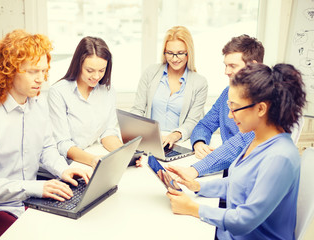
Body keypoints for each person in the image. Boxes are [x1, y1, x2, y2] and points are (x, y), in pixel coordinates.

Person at [0, 29, 91, 240]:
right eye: (33, 72)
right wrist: (36, 187)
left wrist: (64, 169)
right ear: (9, 71)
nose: (41, 79)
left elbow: (47, 149)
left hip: (29, 201)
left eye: (43, 71)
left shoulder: (37, 106)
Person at [166, 63, 306, 239]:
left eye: (234, 108)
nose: (230, 116)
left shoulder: (280, 157)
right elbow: (238, 183)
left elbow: (244, 221)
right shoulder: (257, 139)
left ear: (261, 108)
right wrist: (197, 186)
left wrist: (194, 208)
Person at [186, 35, 264, 178]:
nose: (226, 72)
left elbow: (238, 146)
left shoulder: (263, 103)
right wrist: (199, 143)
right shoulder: (227, 94)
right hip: (227, 171)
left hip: (247, 177)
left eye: (232, 66)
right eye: (226, 65)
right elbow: (205, 124)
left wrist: (194, 170)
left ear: (253, 66)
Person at [47, 36, 126, 168]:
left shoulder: (108, 91)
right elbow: (62, 143)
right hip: (65, 165)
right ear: (78, 64)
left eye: (102, 70)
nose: (96, 76)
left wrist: (124, 154)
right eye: (90, 70)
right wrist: (93, 160)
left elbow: (107, 132)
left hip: (91, 157)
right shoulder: (58, 92)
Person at [131, 26, 208, 148]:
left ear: (189, 53)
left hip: (178, 142)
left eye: (180, 53)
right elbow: (138, 109)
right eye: (170, 53)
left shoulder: (200, 82)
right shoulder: (150, 73)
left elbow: (193, 121)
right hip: (150, 140)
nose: (174, 59)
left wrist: (174, 135)